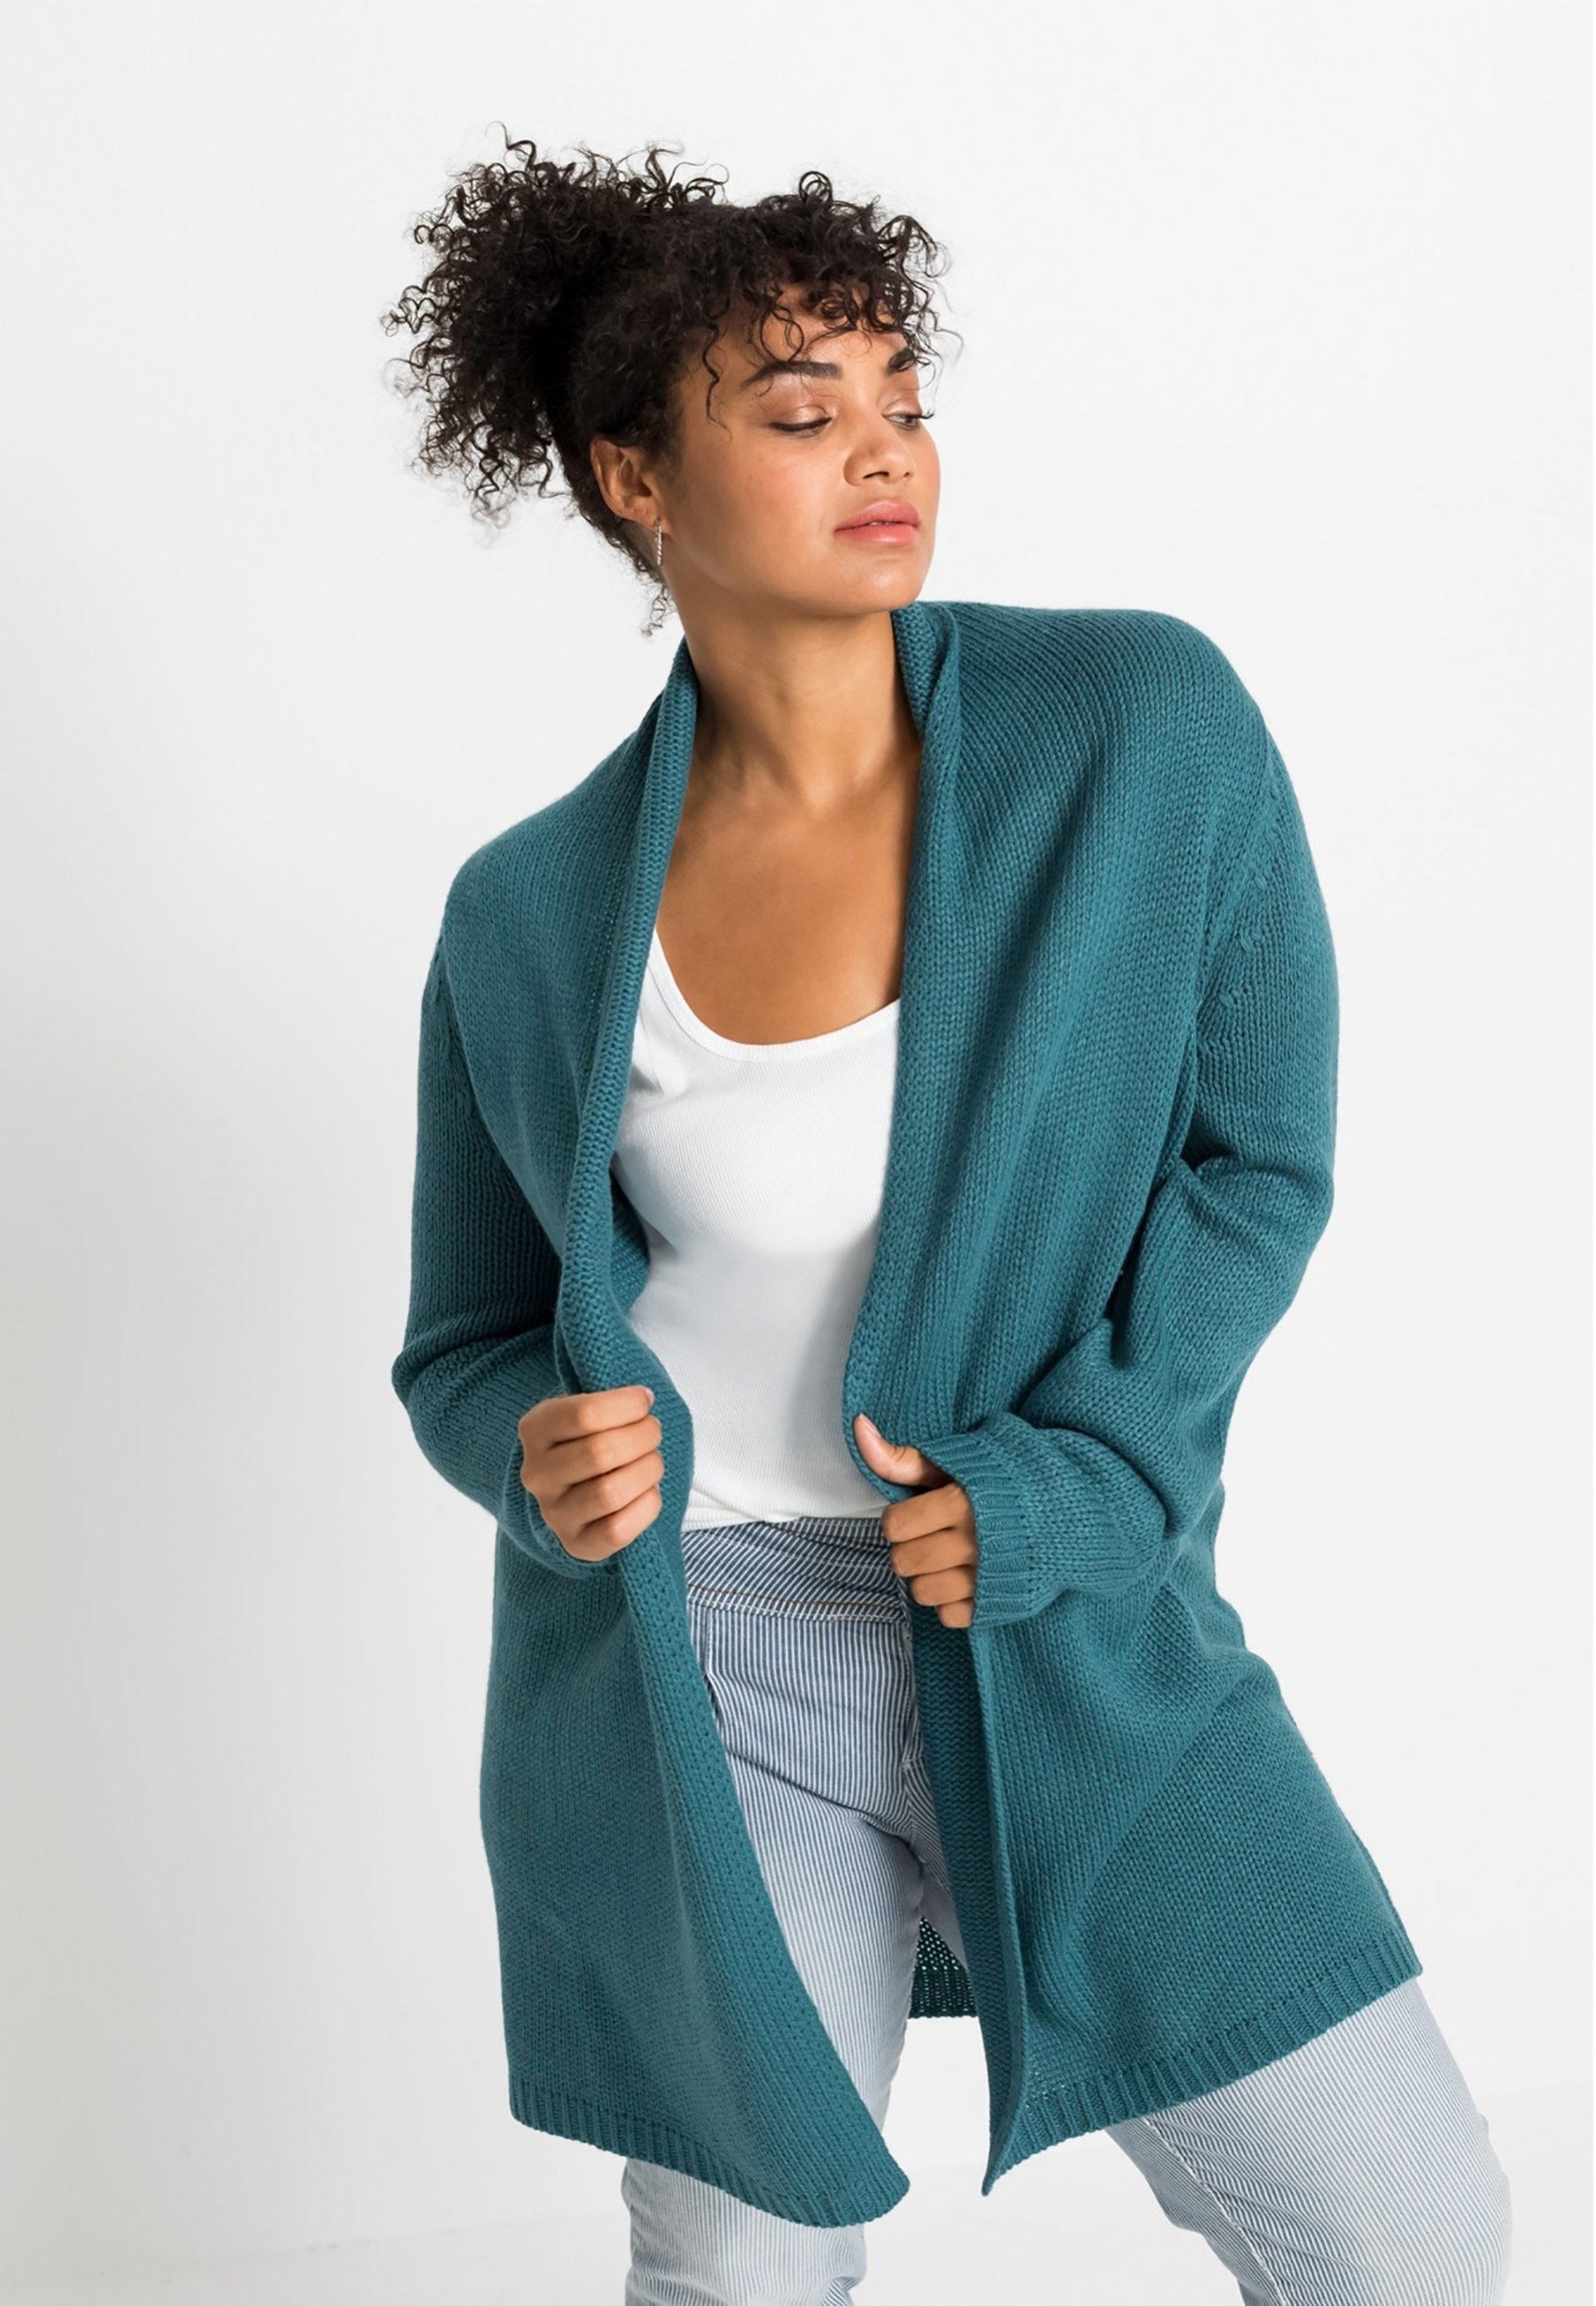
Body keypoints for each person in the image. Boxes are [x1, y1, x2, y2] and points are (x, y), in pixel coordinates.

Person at [383, 136, 1513, 2303]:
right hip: (700, 1668)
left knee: (1409, 2229)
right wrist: (531, 1450)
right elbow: (466, 1338)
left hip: (1074, 1627)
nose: (886, 450)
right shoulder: (527, 910)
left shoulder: (1140, 733)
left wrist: (1081, 1483)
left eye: (903, 398)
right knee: (744, 2270)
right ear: (636, 476)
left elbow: (1257, 1162)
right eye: (804, 412)